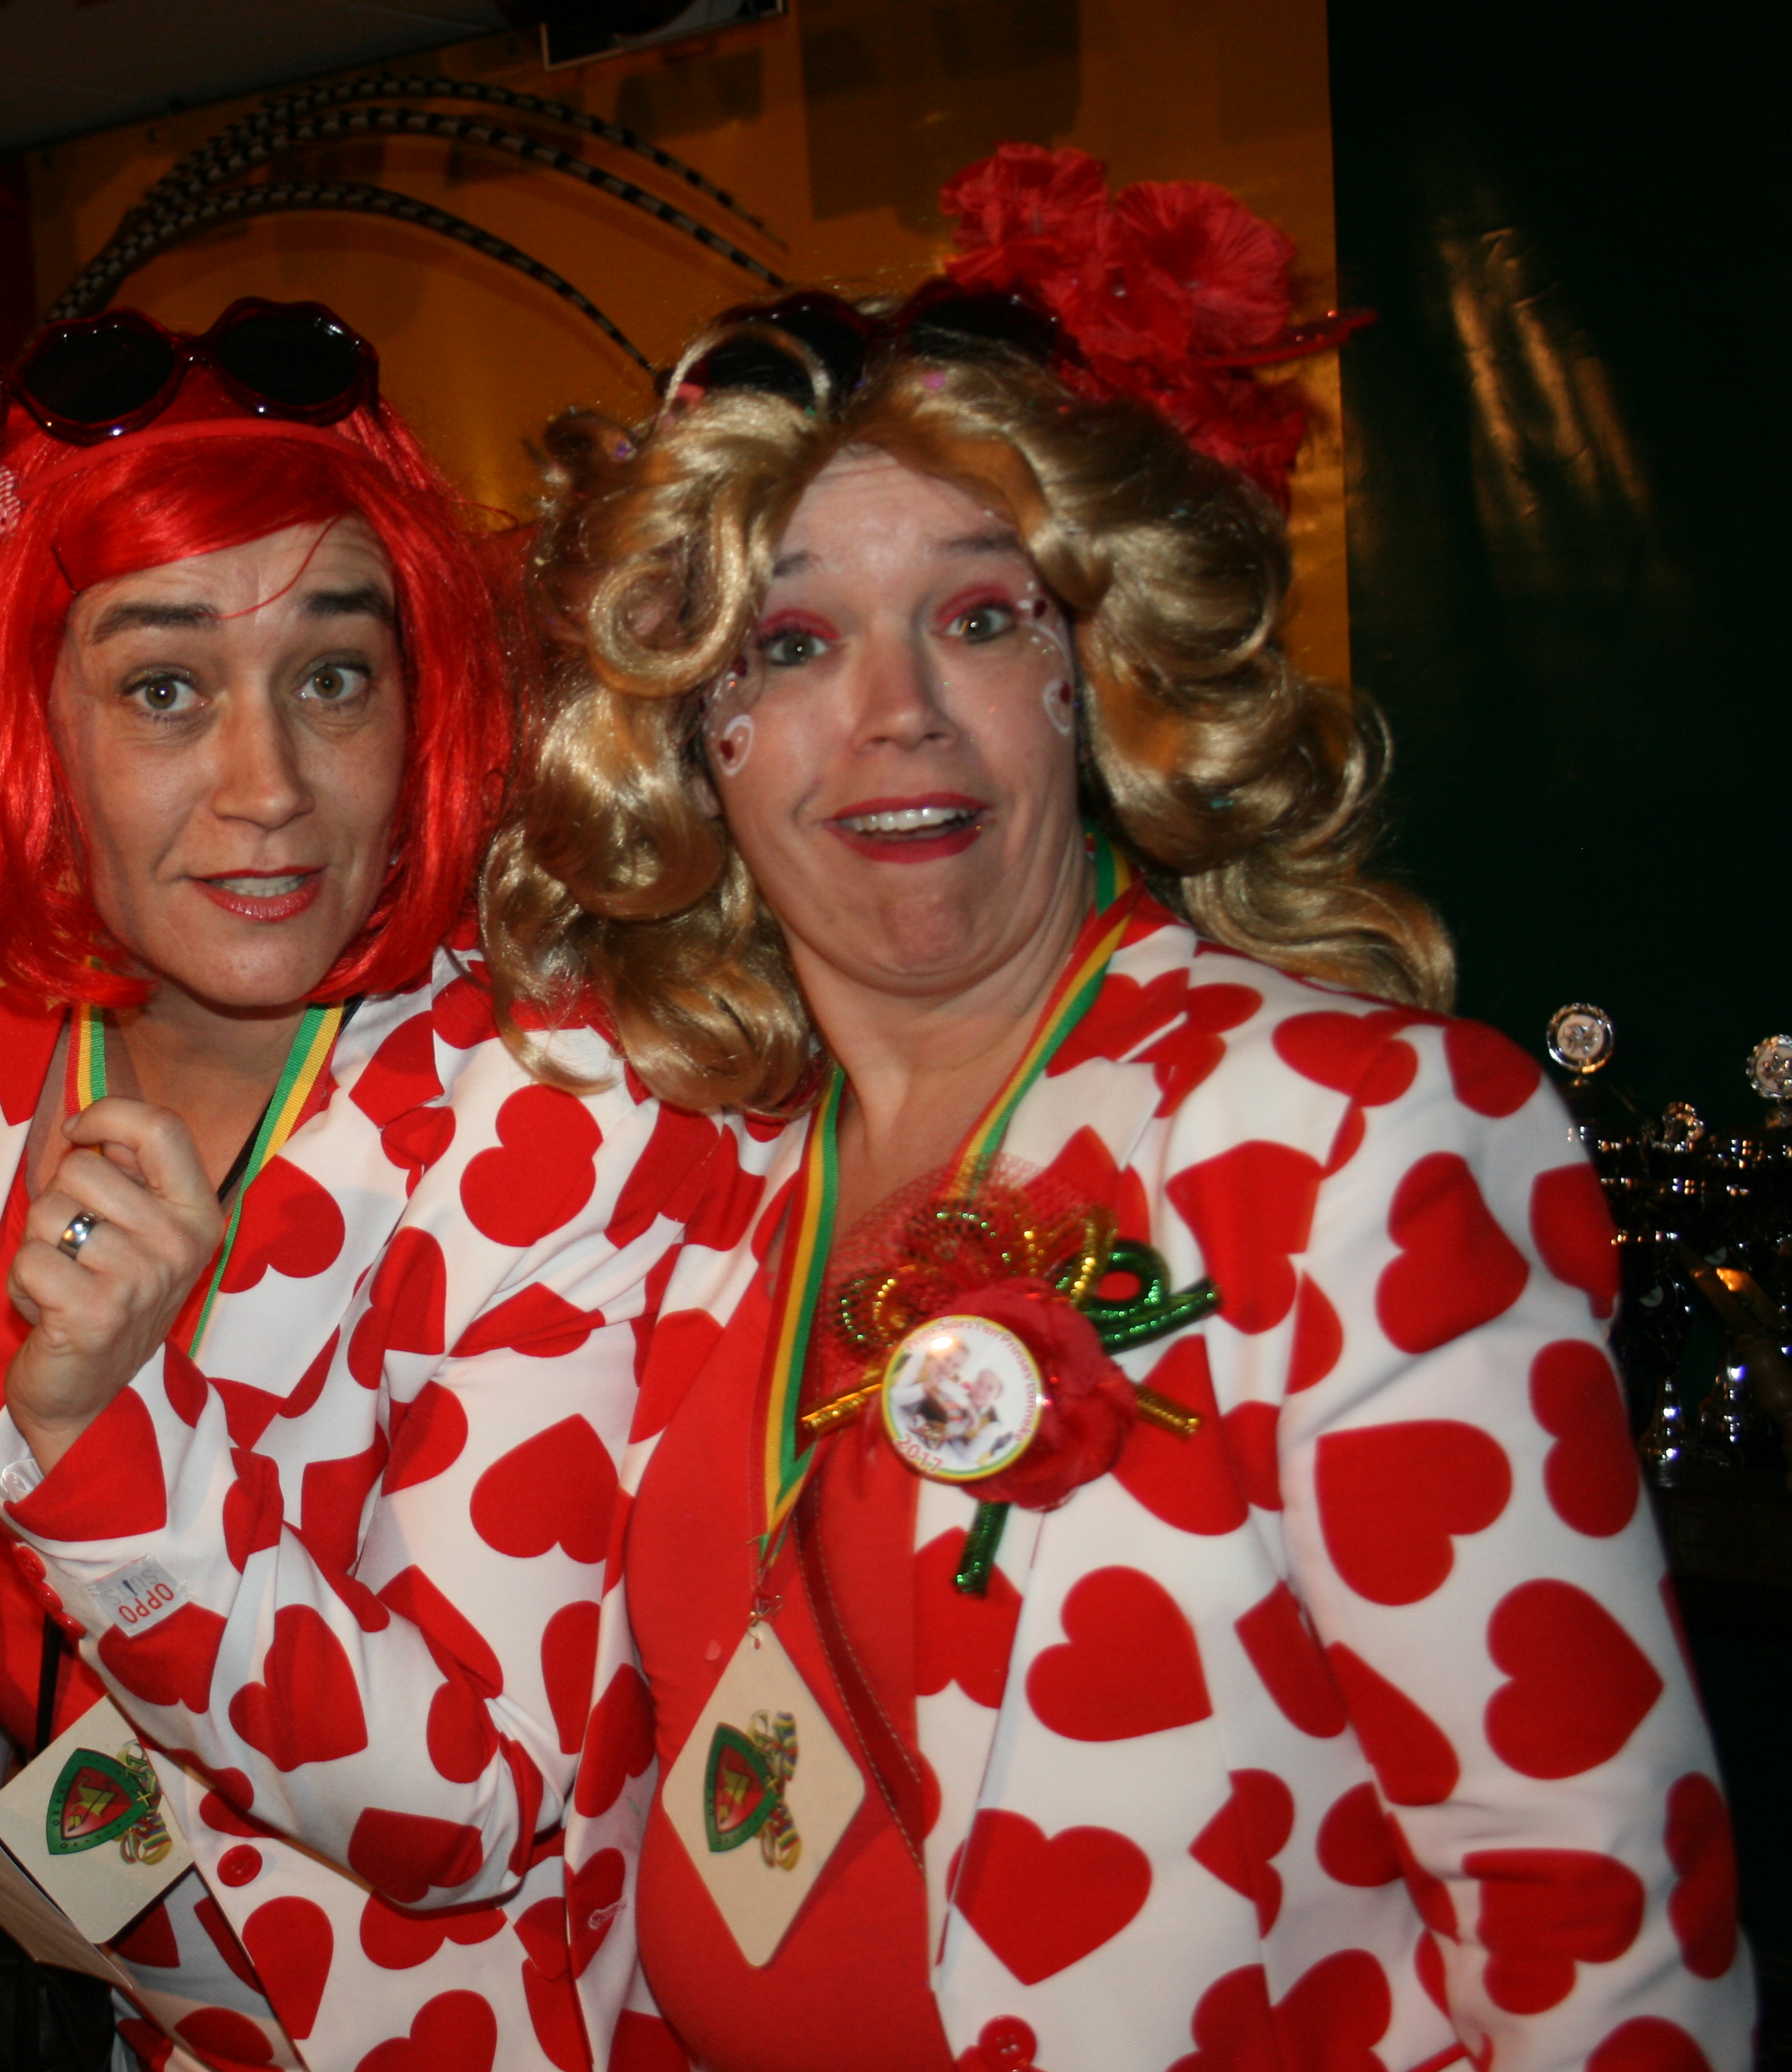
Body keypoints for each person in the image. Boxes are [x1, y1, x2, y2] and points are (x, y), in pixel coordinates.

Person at [486, 145, 1750, 2070]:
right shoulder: (703, 1183)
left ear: (1096, 674)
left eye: (983, 617)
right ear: (691, 734)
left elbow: (1589, 1913)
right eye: (792, 644)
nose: (898, 713)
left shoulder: (1337, 1134)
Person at [0, 299, 747, 2070]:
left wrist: (106, 1460)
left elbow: (467, 1803)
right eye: (162, 687)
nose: (269, 792)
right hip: (50, 1988)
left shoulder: (560, 1096)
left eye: (331, 676)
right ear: (21, 714)